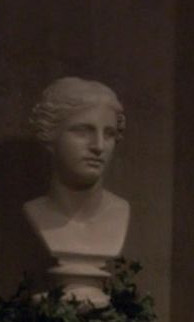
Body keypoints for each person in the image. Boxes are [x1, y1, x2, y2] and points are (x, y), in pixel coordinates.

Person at [22, 77, 130, 305]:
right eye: (82, 131)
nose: (98, 146)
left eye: (109, 134)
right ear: (49, 134)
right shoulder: (35, 210)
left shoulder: (121, 211)